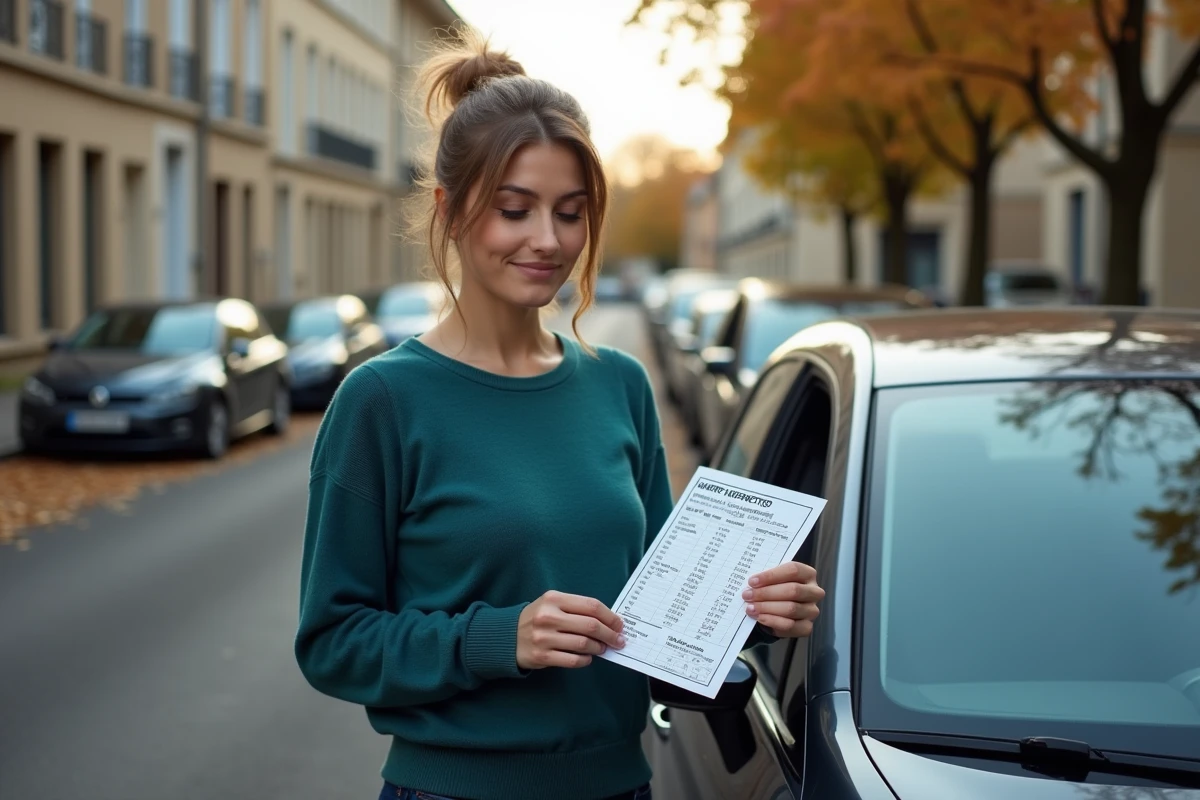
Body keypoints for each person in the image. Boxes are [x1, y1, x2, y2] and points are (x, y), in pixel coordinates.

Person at [294, 31, 825, 800]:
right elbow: (333, 642)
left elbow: (650, 617)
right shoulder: (382, 401)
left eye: (571, 214)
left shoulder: (620, 385)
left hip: (619, 786)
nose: (548, 241)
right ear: (451, 211)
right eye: (516, 210)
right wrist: (498, 638)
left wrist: (749, 613)